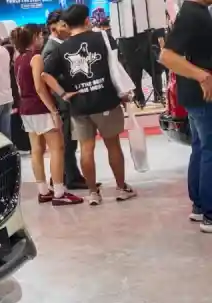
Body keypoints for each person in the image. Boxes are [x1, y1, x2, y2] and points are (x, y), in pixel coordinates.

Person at [43, 4, 137, 206]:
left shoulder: (61, 48)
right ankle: (121, 188)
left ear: (67, 25)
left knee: (86, 149)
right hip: (106, 101)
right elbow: (116, 67)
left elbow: (45, 74)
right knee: (113, 145)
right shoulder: (103, 38)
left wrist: (63, 94)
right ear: (87, 20)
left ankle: (93, 193)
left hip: (79, 106)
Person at [10, 26, 83, 206]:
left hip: (25, 108)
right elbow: (39, 87)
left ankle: (43, 191)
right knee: (57, 148)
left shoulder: (18, 59)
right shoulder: (35, 58)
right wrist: (53, 110)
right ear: (34, 37)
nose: (42, 38)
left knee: (37, 149)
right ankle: (59, 192)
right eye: (40, 35)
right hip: (40, 107)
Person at [160, 0, 212, 232]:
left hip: (195, 94)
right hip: (202, 94)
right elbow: (167, 56)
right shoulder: (192, 13)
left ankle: (200, 206)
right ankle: (209, 214)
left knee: (201, 148)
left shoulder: (195, 12)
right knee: (208, 150)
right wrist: (202, 76)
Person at [42, 9, 89, 189]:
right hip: (63, 102)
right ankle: (69, 178)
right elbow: (49, 77)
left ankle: (70, 175)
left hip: (68, 100)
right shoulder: (52, 48)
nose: (67, 27)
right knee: (68, 142)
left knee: (71, 141)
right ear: (53, 27)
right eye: (63, 24)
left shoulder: (61, 45)